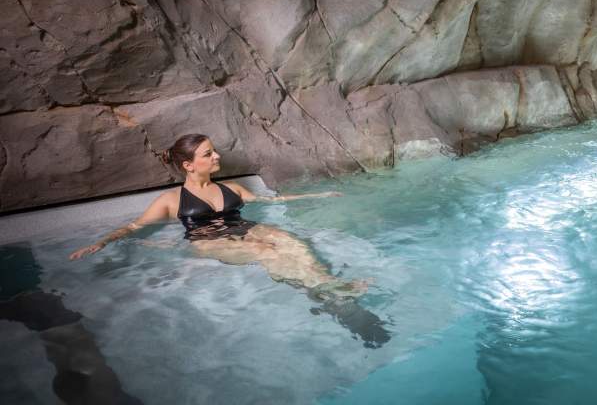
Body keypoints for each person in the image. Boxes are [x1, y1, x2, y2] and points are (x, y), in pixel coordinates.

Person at [68, 133, 390, 347]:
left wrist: (318, 193)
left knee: (292, 243)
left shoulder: (232, 187)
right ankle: (326, 292)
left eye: (214, 150)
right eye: (209, 154)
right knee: (265, 251)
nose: (217, 155)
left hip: (243, 227)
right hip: (207, 240)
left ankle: (327, 289)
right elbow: (134, 226)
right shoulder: (170, 200)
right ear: (189, 165)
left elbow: (271, 202)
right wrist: (103, 241)